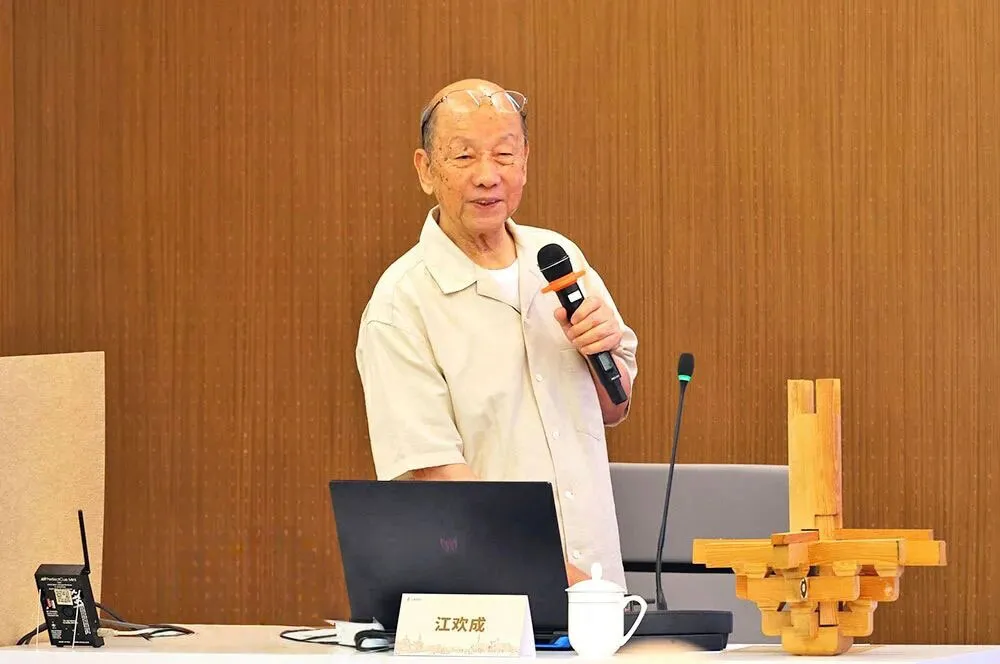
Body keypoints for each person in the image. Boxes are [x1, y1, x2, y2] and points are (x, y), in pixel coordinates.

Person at [355, 78, 638, 589]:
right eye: (464, 157)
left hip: (598, 589)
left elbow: (614, 407)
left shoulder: (559, 259)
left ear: (525, 161)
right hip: (490, 598)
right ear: (425, 170)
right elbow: (436, 476)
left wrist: (601, 356)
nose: (488, 176)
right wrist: (565, 583)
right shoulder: (401, 304)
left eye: (504, 155)